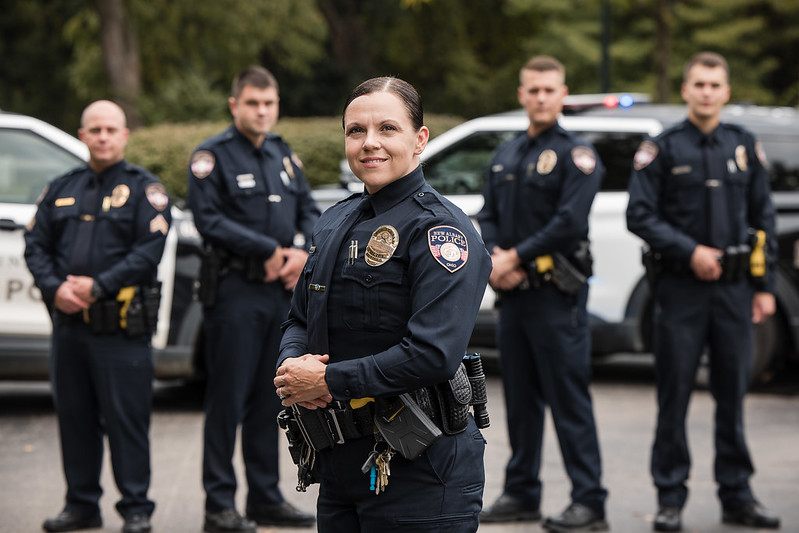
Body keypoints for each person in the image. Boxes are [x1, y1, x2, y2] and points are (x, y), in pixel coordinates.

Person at [273, 76, 492, 533]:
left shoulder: (441, 232)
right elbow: (299, 316)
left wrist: (327, 379)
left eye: (387, 129)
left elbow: (432, 354)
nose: (370, 143)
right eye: (356, 131)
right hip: (339, 466)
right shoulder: (334, 221)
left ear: (419, 139)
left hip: (420, 471)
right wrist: (293, 369)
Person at [626, 51, 781, 532]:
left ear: (726, 90)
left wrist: (765, 286)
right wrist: (690, 250)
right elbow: (640, 214)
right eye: (699, 84)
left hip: (735, 294)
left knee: (733, 397)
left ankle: (738, 496)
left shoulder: (743, 145)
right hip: (680, 291)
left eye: (715, 84)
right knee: (673, 398)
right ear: (686, 90)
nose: (707, 91)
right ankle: (669, 499)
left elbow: (763, 218)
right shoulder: (663, 147)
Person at [476, 56, 609, 531]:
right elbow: (487, 215)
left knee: (569, 401)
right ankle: (522, 494)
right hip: (514, 298)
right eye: (533, 90)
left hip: (557, 297)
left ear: (562, 93)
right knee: (521, 400)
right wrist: (493, 257)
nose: (541, 97)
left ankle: (590, 502)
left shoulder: (578, 154)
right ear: (521, 94)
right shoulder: (505, 155)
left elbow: (569, 222)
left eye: (549, 90)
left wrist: (515, 257)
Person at [24, 100, 169, 533]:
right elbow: (35, 245)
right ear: (83, 135)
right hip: (69, 329)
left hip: (121, 331)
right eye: (94, 129)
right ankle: (81, 505)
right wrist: (55, 288)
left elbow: (149, 251)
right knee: (74, 419)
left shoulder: (145, 189)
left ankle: (136, 509)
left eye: (111, 129)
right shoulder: (60, 187)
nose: (103, 136)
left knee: (127, 423)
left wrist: (97, 285)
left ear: (124, 135)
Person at [187, 66, 319, 532]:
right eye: (253, 103)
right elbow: (209, 221)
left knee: (273, 399)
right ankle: (219, 505)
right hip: (236, 294)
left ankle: (265, 497)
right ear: (234, 105)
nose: (262, 111)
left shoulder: (283, 154)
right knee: (228, 400)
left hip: (280, 296)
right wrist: (268, 250)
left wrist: (300, 251)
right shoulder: (212, 157)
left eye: (269, 103)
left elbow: (308, 209)